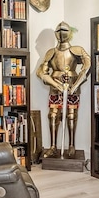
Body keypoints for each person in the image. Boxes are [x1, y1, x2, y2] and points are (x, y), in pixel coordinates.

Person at [36, 21, 91, 158]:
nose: (61, 33)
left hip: (72, 84)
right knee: (53, 115)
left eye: (64, 30)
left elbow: (88, 65)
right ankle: (53, 146)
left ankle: (71, 145)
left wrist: (77, 84)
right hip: (55, 86)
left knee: (71, 115)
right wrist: (55, 85)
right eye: (59, 30)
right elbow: (41, 72)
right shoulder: (51, 52)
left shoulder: (76, 50)